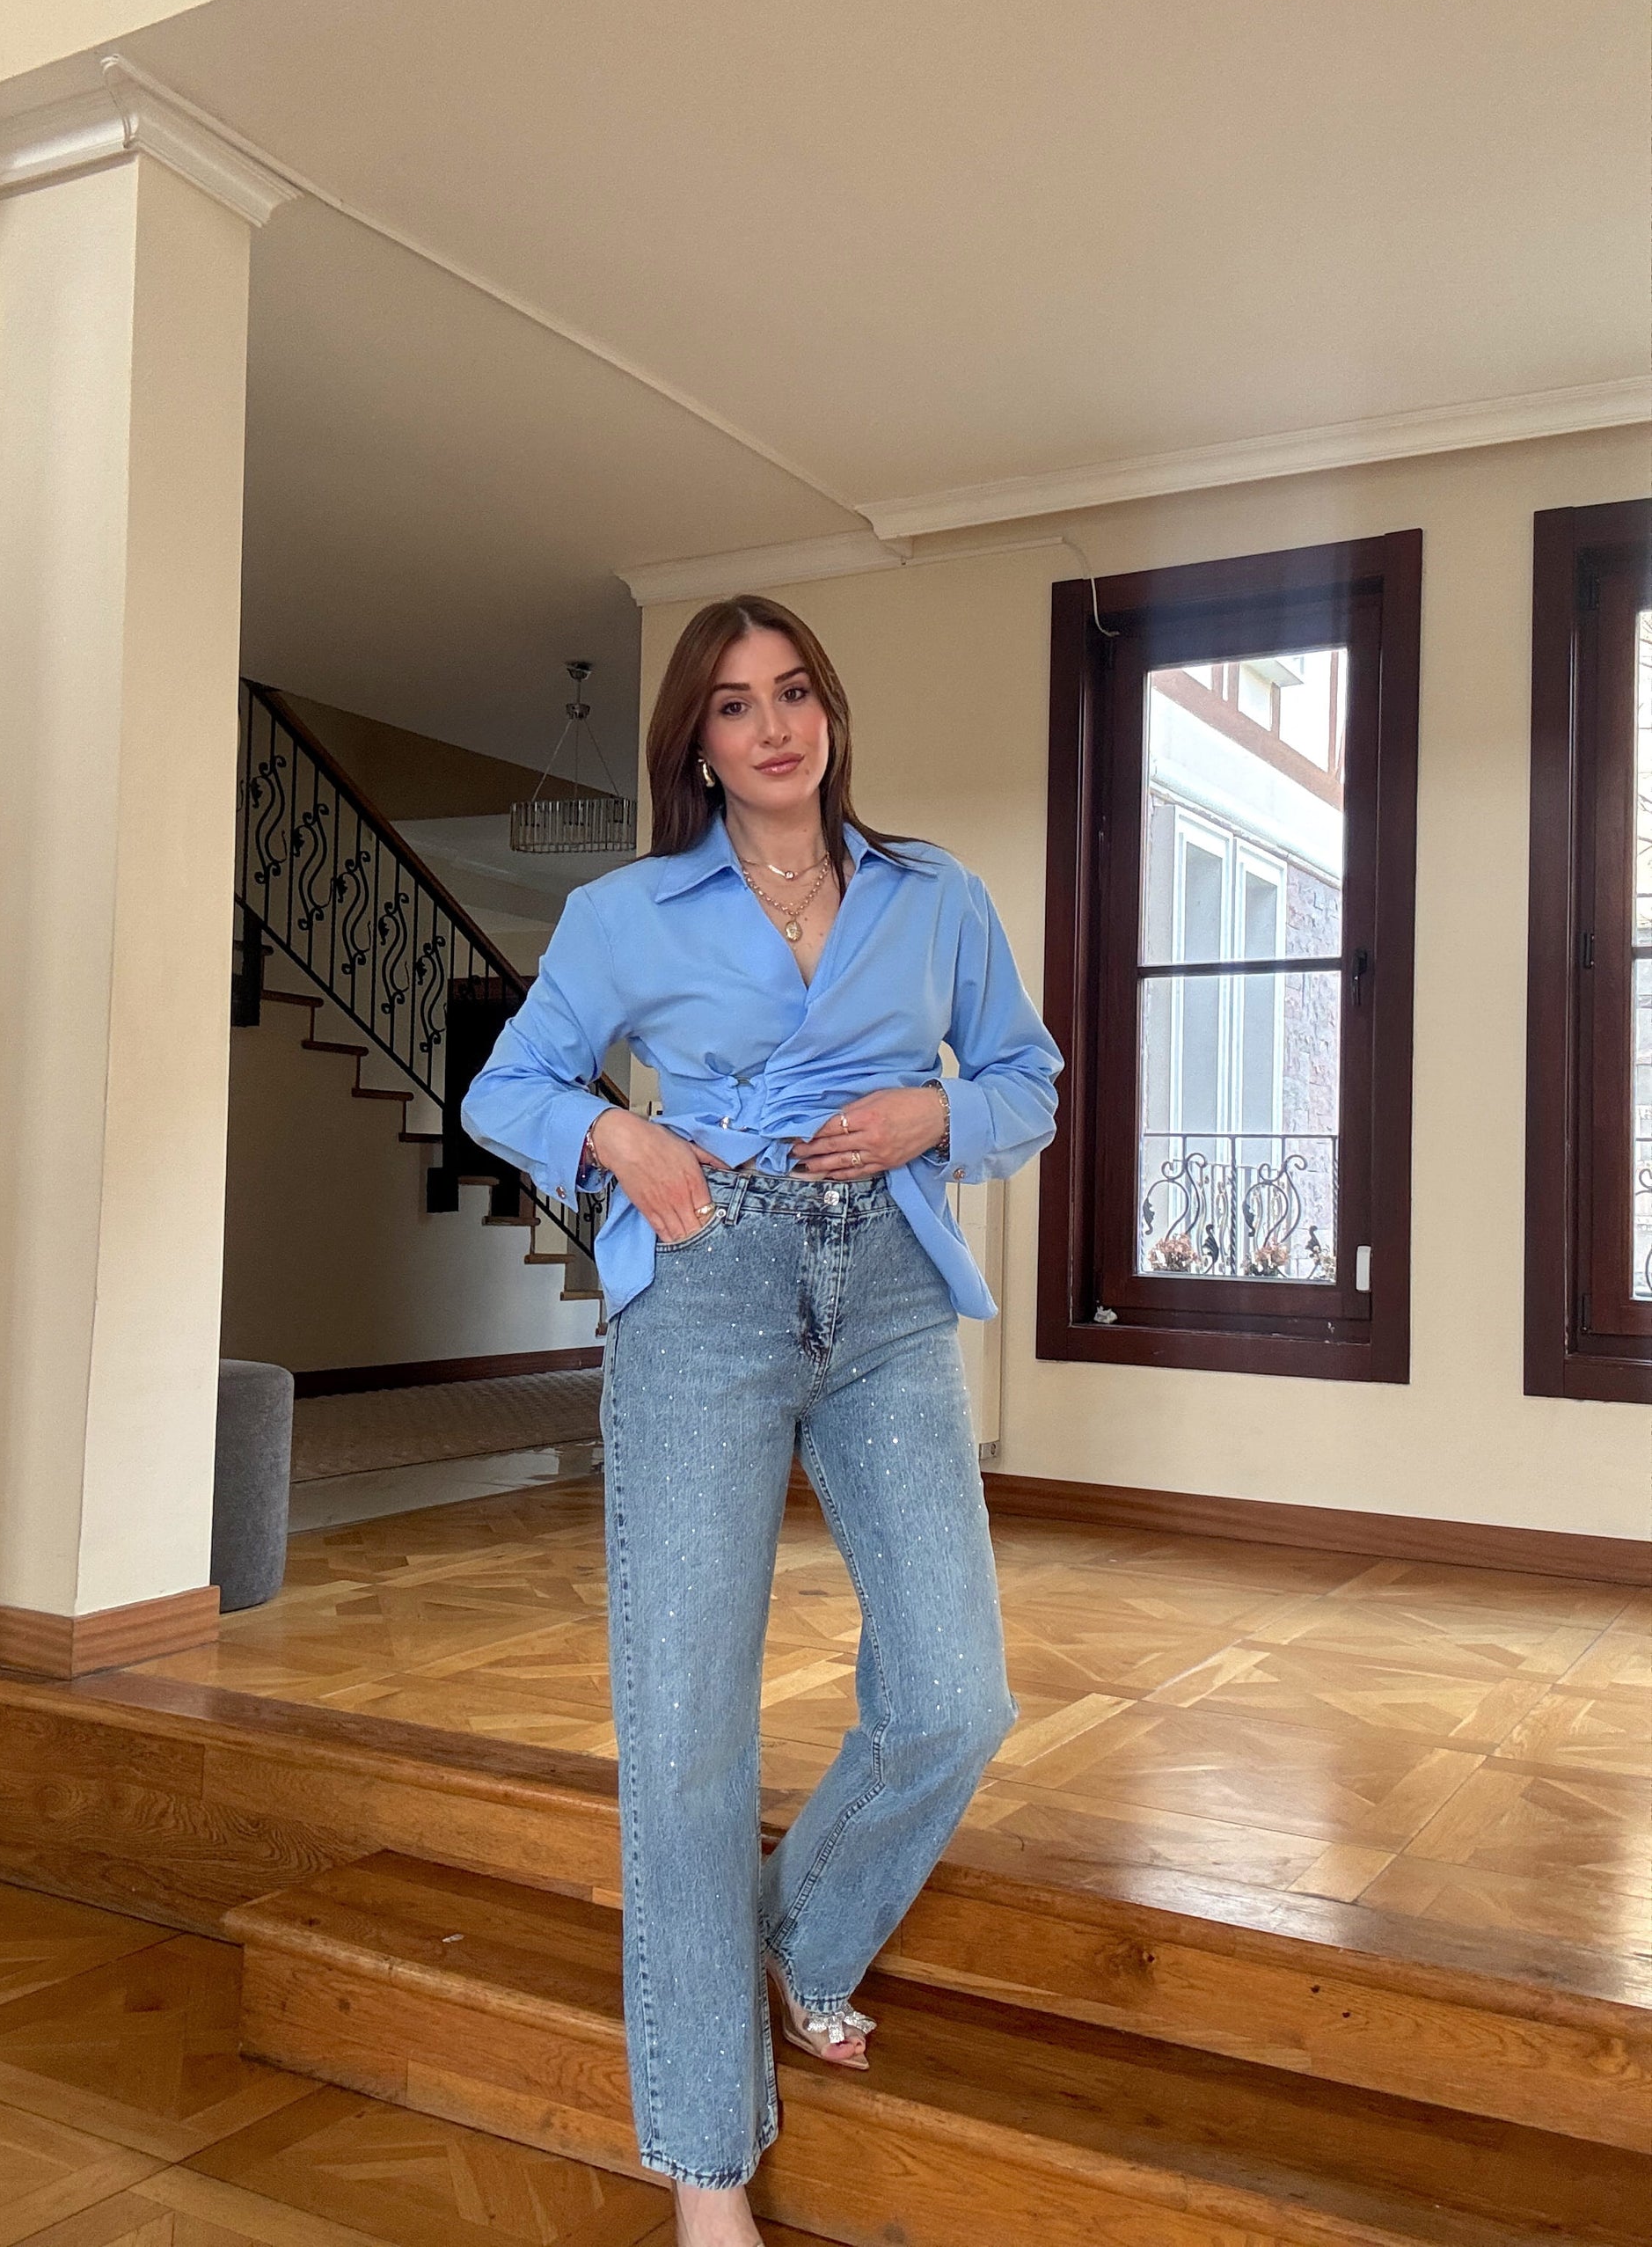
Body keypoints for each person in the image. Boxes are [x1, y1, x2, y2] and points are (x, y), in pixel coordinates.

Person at [460, 593, 1063, 2247]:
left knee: (954, 1695)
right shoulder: (625, 910)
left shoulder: (934, 895)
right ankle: (704, 2162)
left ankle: (801, 1937)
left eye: (793, 693)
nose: (773, 726)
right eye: (734, 705)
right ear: (699, 743)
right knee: (686, 1734)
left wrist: (939, 1107)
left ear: (828, 713)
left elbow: (1026, 1078)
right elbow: (507, 1087)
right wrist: (619, 1139)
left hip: (889, 1293)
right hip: (706, 1293)